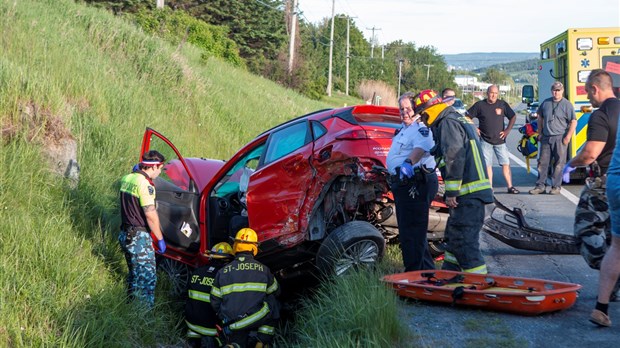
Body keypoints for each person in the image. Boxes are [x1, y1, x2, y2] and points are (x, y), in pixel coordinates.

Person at [414, 89, 493, 274]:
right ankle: (451, 276)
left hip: (466, 194)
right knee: (454, 239)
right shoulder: (455, 118)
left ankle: (478, 285)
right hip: (469, 194)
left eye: (422, 115)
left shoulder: (447, 123)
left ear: (428, 110)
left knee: (465, 243)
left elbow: (453, 157)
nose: (423, 120)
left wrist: (451, 193)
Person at [568, 70, 620, 327]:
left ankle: (611, 280)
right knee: (613, 236)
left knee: (585, 232)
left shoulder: (601, 114)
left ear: (596, 89)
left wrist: (569, 164)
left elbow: (591, 153)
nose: (588, 96)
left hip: (605, 184)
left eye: (588, 91)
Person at [386, 92, 439, 271]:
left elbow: (420, 148)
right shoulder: (404, 129)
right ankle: (426, 272)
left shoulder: (420, 127)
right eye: (402, 109)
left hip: (416, 182)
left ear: (415, 109)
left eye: (408, 108)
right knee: (412, 231)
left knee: (412, 232)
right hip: (404, 183)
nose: (405, 112)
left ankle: (413, 275)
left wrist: (408, 164)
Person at [211, 228, 280, 347]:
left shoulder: (222, 272)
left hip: (231, 324)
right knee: (273, 304)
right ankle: (261, 341)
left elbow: (215, 301)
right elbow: (276, 291)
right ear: (254, 247)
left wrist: (225, 316)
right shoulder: (264, 270)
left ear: (235, 245)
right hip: (255, 320)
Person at [118, 150, 167, 308]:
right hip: (139, 238)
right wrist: (160, 238)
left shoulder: (127, 178)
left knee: (134, 275)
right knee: (147, 278)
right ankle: (142, 317)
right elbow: (150, 214)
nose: (160, 173)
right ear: (154, 167)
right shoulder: (146, 185)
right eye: (160, 169)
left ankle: (129, 308)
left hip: (125, 234)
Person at [467, 85, 519, 194]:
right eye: (491, 93)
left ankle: (510, 186)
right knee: (487, 165)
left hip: (500, 140)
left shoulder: (502, 104)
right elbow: (467, 116)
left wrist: (507, 130)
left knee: (506, 163)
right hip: (485, 140)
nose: (493, 95)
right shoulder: (480, 105)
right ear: (487, 93)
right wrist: (474, 128)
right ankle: (489, 188)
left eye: (496, 93)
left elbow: (513, 117)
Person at [529, 81, 577, 195]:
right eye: (554, 90)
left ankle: (556, 186)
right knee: (542, 163)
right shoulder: (546, 103)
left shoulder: (567, 104)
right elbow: (540, 117)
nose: (556, 92)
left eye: (558, 90)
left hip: (560, 138)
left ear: (562, 91)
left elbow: (573, 121)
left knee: (559, 163)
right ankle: (540, 186)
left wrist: (568, 137)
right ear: (552, 91)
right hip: (546, 137)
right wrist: (539, 133)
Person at [185, 242, 235, 348]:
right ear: (227, 261)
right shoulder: (223, 277)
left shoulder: (197, 272)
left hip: (191, 325)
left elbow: (185, 296)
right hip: (211, 329)